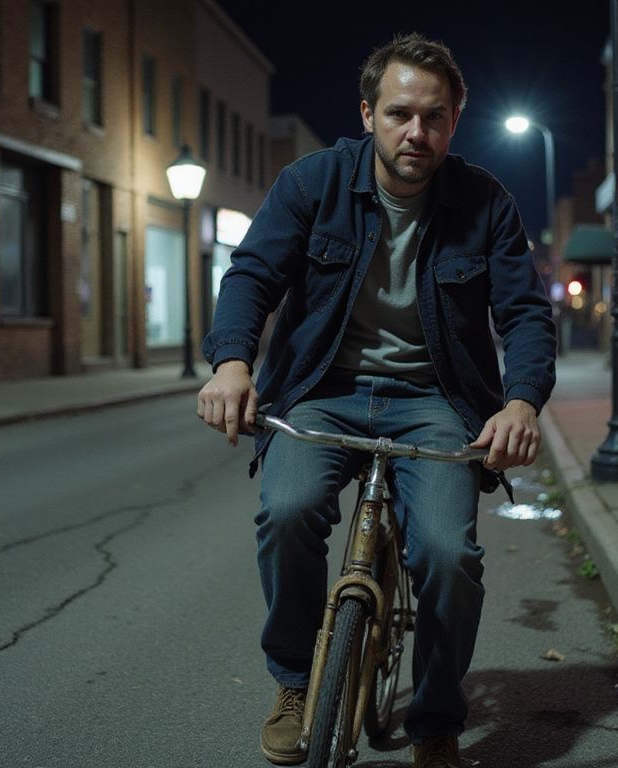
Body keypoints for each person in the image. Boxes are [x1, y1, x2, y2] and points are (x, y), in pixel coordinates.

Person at [197, 32, 556, 768]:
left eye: (433, 116)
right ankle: (295, 684)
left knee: (450, 555)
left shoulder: (484, 203)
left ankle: (435, 721)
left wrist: (520, 403)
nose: (415, 133)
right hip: (321, 394)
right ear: (367, 114)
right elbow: (252, 277)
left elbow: (524, 314)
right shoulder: (311, 184)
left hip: (435, 400)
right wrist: (232, 364)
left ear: (455, 120)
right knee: (289, 511)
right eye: (398, 113)